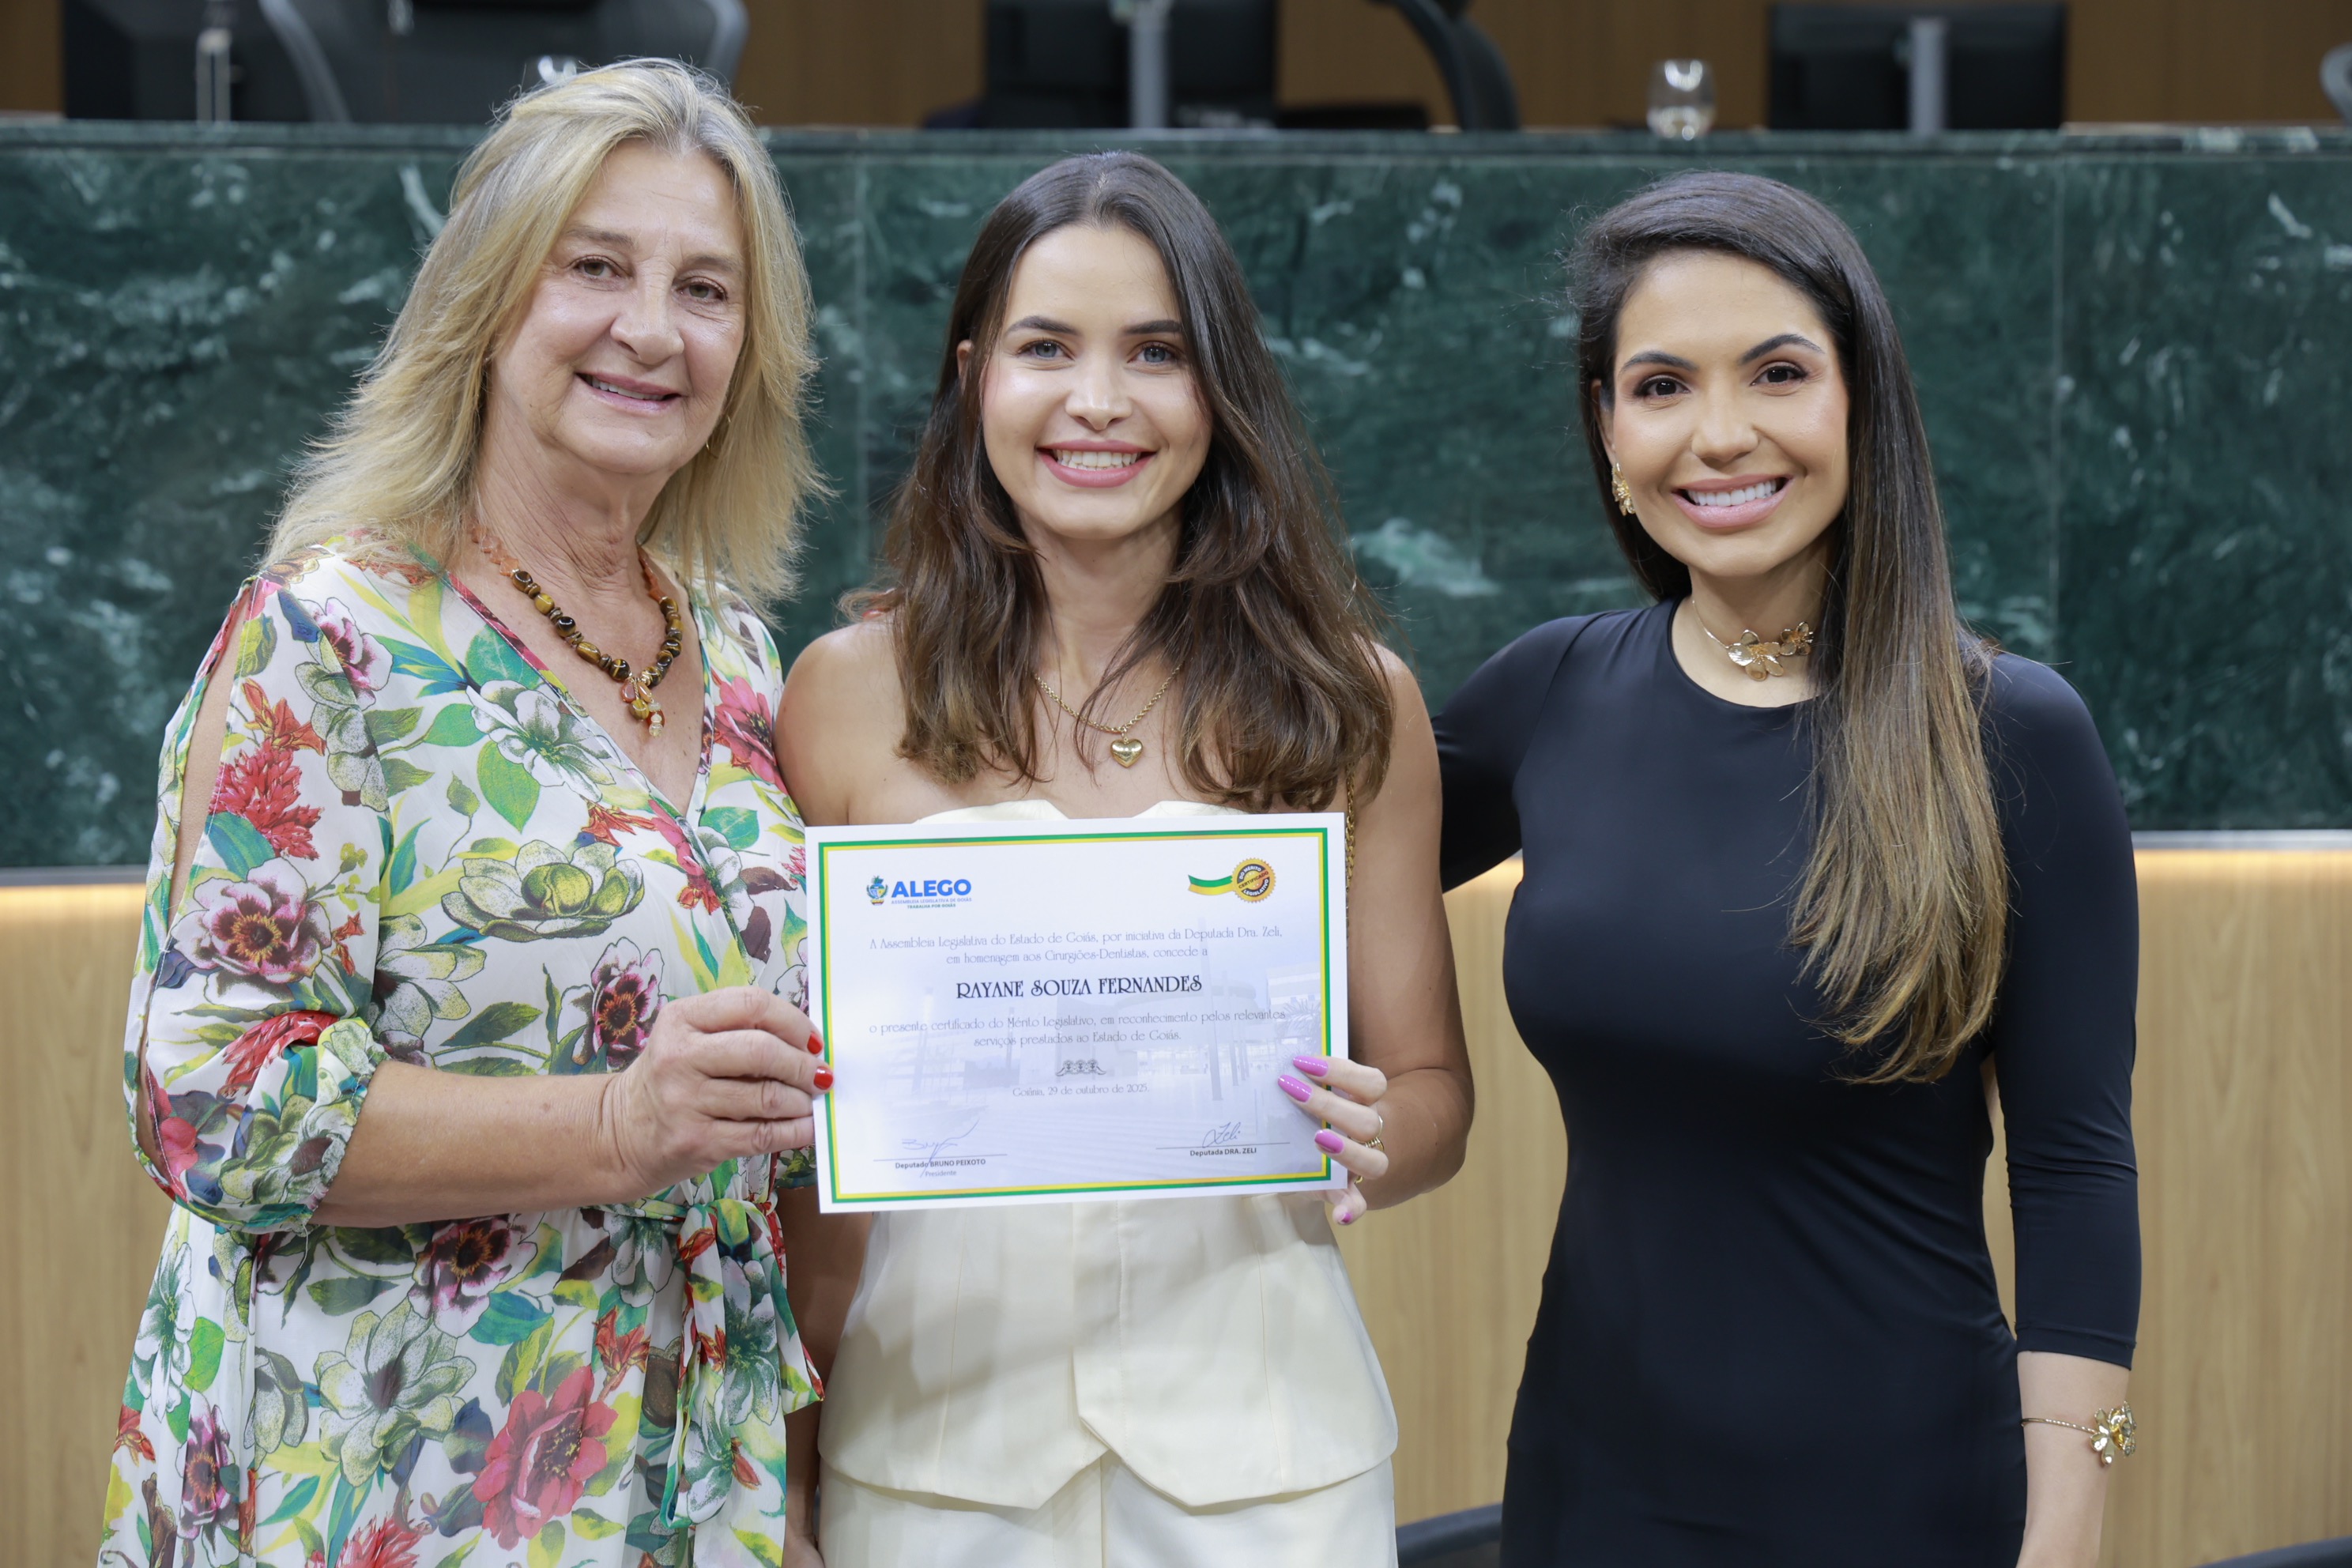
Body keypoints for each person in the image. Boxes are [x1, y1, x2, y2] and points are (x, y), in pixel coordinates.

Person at [102, 62, 832, 1568]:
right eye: (595, 267)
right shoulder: (332, 637)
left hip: (694, 1472)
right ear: (489, 300)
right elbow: (209, 1097)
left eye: (705, 289)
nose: (652, 329)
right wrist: (619, 1126)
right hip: (382, 1469)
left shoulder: (746, 658)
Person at [774, 152, 1473, 1568]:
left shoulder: (1351, 699)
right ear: (975, 379)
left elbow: (1434, 1095)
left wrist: (1371, 1137)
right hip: (932, 1462)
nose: (1098, 401)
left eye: (1156, 353)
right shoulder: (842, 693)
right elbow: (819, 1171)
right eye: (1046, 348)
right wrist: (791, 1466)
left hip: (1270, 1470)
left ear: (1221, 390)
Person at [1434, 172, 2140, 1568]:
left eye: (1777, 373)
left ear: (1860, 400)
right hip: (1589, 1492)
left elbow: (2074, 1171)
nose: (1720, 434)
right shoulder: (1545, 695)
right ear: (1608, 427)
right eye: (1661, 386)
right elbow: (1272, 885)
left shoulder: (2009, 733)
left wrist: (2064, 1537)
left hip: (1902, 1499)